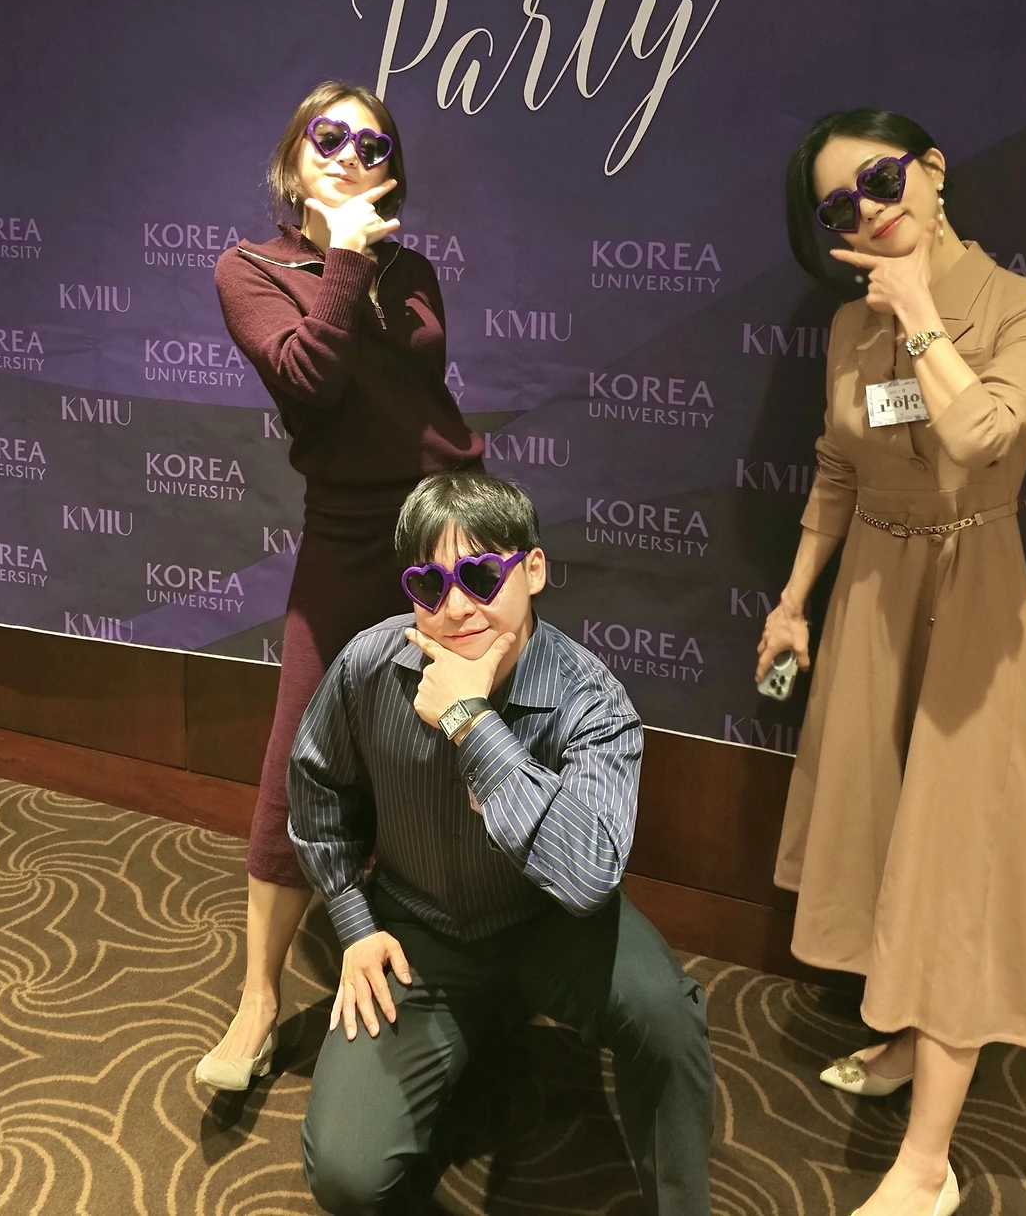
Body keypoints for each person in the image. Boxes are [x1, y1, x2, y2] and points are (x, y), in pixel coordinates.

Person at [755, 109, 1026, 1216]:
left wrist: (923, 316)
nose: (866, 212)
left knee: (952, 865)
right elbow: (838, 469)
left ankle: (927, 1165)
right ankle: (903, 1037)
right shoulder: (850, 328)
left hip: (971, 599)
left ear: (933, 171)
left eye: (882, 181)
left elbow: (981, 436)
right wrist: (793, 602)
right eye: (838, 206)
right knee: (887, 833)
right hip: (870, 599)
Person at [289, 470, 715, 1215]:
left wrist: (473, 724)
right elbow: (315, 791)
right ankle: (470, 1031)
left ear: (534, 569)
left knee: (666, 1018)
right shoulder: (368, 665)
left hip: (555, 925)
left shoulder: (590, 698)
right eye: (429, 585)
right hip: (420, 930)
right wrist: (354, 924)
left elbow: (588, 875)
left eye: (482, 575)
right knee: (346, 1177)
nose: (457, 607)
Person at [197, 82, 482, 1090]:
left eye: (373, 143)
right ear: (294, 155)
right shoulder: (249, 269)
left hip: (448, 525)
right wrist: (346, 255)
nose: (351, 152)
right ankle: (258, 999)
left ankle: (454, 956)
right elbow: (309, 378)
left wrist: (366, 257)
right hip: (349, 530)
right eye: (330, 136)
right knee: (300, 754)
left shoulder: (413, 269)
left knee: (456, 735)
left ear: (390, 169)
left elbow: (420, 392)